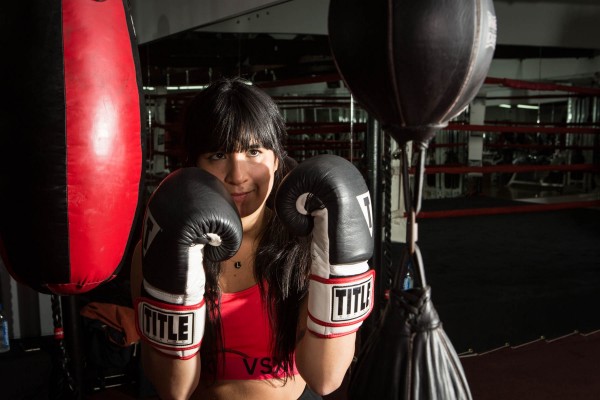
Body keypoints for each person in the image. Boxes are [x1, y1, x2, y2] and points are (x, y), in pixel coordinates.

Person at [130, 77, 374, 400]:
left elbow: (326, 378)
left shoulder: (304, 247)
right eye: (218, 154)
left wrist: (341, 270)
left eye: (253, 151)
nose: (237, 175)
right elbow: (173, 388)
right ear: (194, 164)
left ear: (275, 159)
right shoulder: (161, 248)